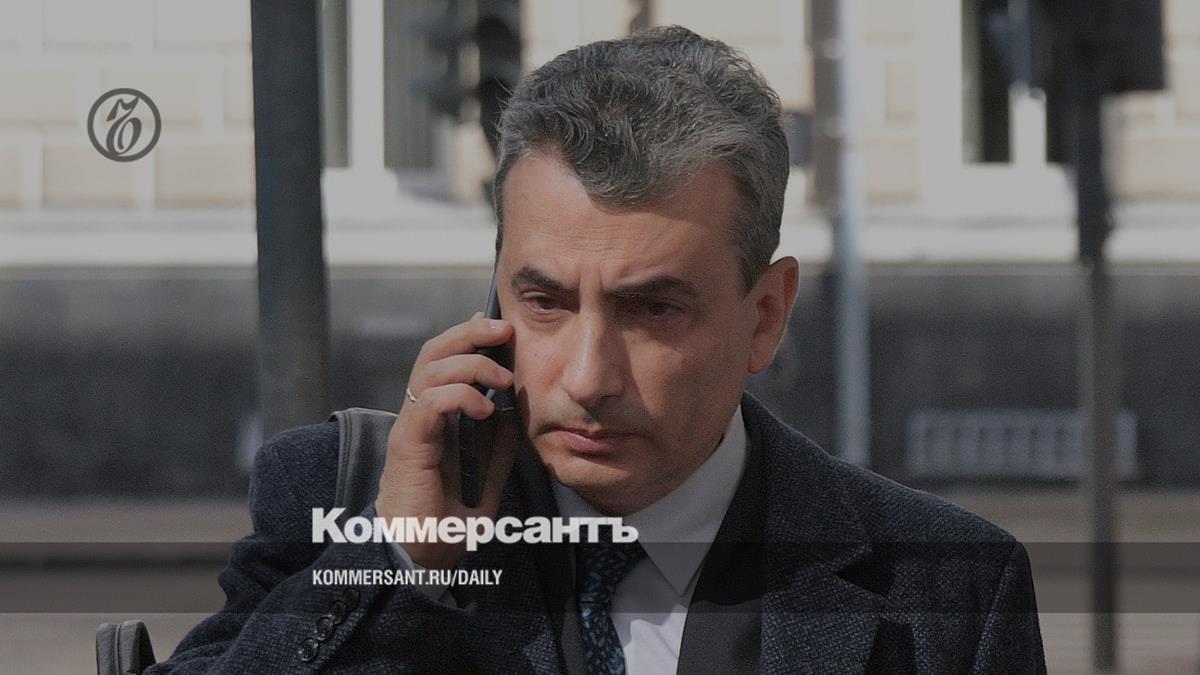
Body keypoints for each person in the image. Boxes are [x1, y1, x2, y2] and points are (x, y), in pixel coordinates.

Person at [148, 25, 1045, 674]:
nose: (586, 378)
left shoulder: (947, 586)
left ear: (765, 314)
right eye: (543, 302)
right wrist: (398, 562)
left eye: (652, 309)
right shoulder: (332, 501)